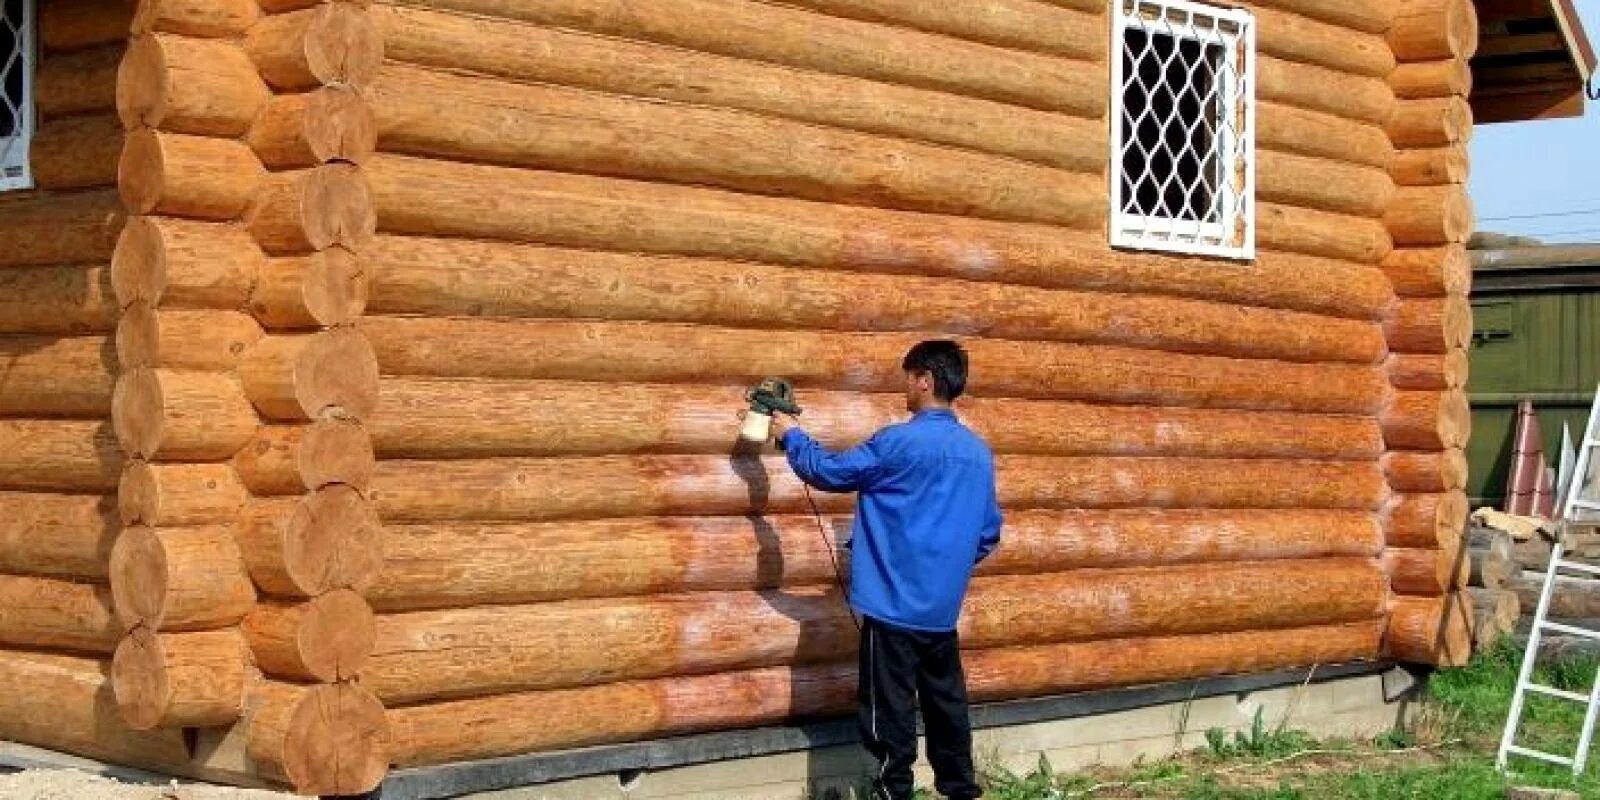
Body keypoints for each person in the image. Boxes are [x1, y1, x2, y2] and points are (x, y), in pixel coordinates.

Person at [771, 340, 1002, 800]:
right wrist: (946, 568)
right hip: (940, 611)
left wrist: (790, 434)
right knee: (946, 707)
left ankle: (892, 792)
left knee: (887, 712)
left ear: (925, 380)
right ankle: (960, 791)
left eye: (907, 378)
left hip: (892, 608)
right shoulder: (977, 453)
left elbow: (831, 473)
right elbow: (987, 534)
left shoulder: (898, 442)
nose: (905, 389)